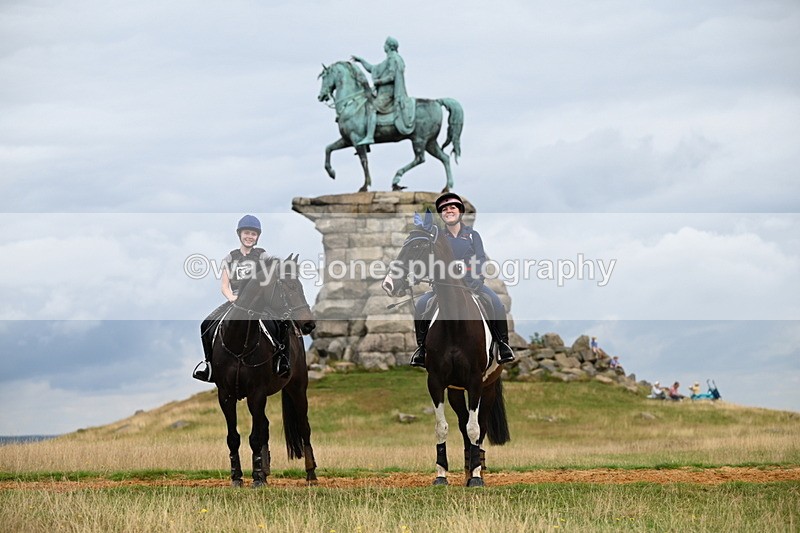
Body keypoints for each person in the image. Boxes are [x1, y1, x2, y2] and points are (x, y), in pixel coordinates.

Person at [409, 192, 515, 367]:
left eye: (452, 207)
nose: (448, 211)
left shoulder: (473, 235)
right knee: (421, 305)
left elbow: (480, 258)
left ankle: (503, 345)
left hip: (471, 284)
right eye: (444, 209)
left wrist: (476, 278)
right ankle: (421, 349)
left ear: (460, 211)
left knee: (496, 303)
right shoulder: (437, 238)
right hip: (445, 286)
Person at [192, 215, 292, 382]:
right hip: (237, 301)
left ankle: (282, 361)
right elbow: (224, 285)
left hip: (260, 302)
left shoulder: (262, 255)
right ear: (240, 234)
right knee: (206, 324)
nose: (249, 237)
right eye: (247, 233)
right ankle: (209, 366)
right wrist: (232, 297)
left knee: (283, 322)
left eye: (253, 234)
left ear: (257, 236)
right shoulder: (230, 258)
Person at [351, 36, 414, 146]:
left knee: (371, 108)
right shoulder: (389, 59)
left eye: (385, 44)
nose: (383, 46)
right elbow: (372, 69)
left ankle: (370, 136)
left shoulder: (393, 59)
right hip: (383, 93)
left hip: (388, 94)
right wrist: (361, 61)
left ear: (389, 46)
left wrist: (378, 82)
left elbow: (391, 77)